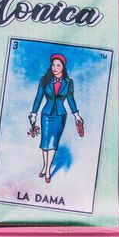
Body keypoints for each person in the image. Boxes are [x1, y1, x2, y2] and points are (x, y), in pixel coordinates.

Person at [28, 53, 83, 184]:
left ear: (63, 67)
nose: (55, 67)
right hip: (46, 114)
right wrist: (33, 113)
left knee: (53, 143)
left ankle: (47, 170)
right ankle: (45, 166)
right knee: (45, 143)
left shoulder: (69, 82)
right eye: (53, 65)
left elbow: (70, 99)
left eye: (58, 65)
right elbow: (38, 97)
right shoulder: (44, 79)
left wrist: (76, 115)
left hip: (60, 116)